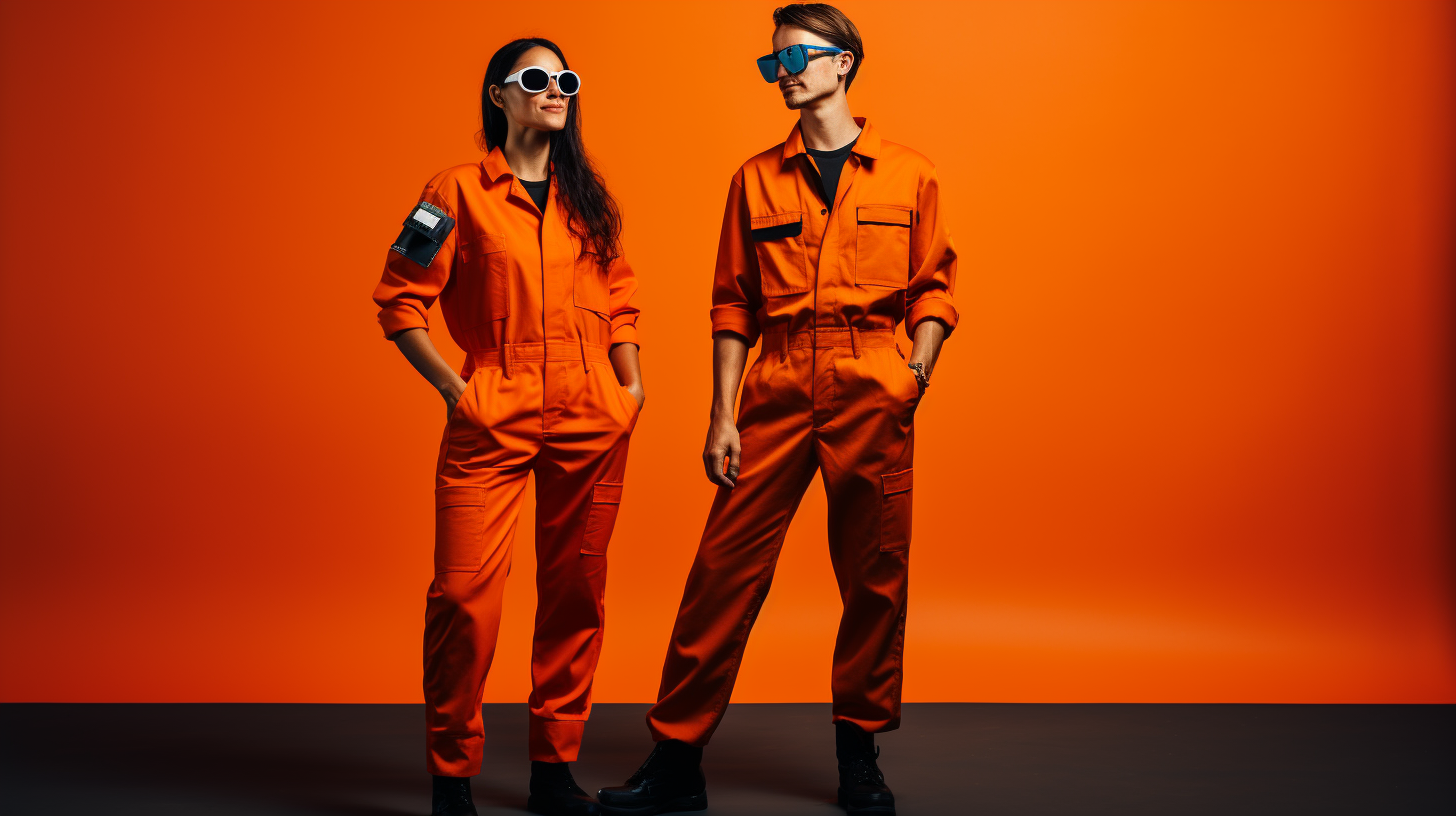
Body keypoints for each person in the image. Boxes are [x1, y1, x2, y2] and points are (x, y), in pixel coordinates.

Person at [596, 4, 956, 815]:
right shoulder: (754, 178)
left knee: (874, 579)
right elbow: (732, 306)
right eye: (773, 62)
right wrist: (722, 416)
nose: (784, 72)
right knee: (722, 573)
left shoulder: (911, 174)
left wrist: (917, 367)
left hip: (873, 386)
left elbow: (935, 286)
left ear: (843, 64)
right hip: (778, 385)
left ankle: (858, 754)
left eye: (796, 57)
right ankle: (677, 761)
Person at [371, 37, 644, 816]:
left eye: (565, 79)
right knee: (463, 596)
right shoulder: (452, 191)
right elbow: (399, 299)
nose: (555, 90)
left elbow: (621, 299)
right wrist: (458, 389)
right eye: (536, 78)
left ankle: (553, 771)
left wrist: (631, 383)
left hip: (593, 411)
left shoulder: (588, 198)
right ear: (499, 94)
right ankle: (451, 774)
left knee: (575, 596)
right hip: (495, 403)